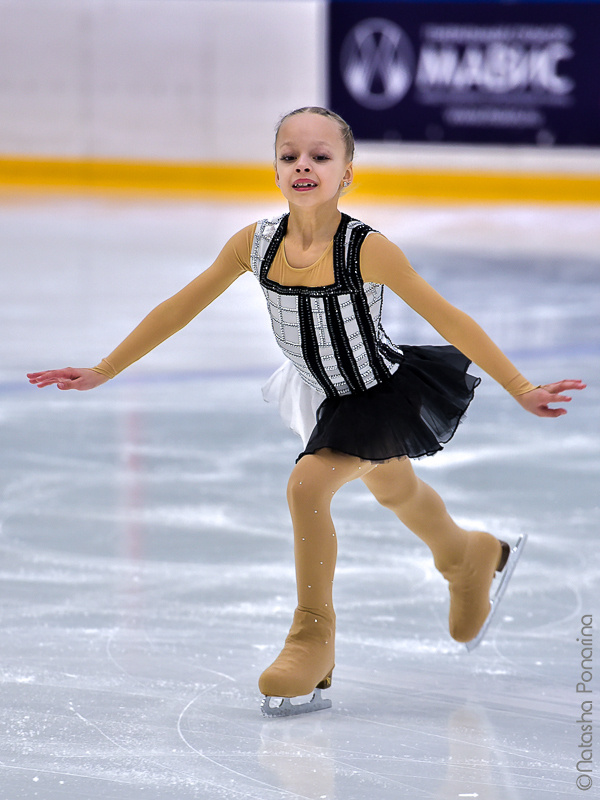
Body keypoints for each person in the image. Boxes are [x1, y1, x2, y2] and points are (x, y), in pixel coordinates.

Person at [28, 106, 585, 716]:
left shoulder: (367, 249)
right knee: (395, 488)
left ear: (347, 172)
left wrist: (520, 385)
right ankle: (466, 556)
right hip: (320, 389)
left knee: (307, 484)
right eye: (290, 155)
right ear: (274, 168)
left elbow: (448, 317)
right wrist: (106, 368)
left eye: (320, 157)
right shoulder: (256, 244)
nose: (303, 165)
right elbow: (179, 306)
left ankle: (313, 634)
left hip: (377, 391)